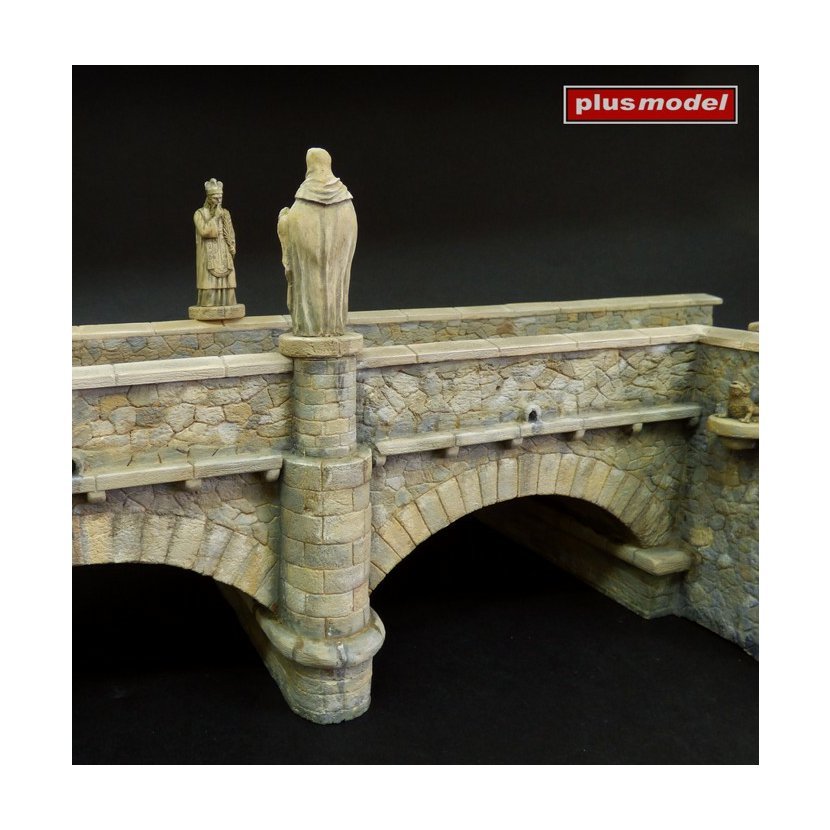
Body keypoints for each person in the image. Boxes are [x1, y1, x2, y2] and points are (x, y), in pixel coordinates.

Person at [277, 149, 357, 336]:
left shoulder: (301, 205)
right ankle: (335, 325)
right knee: (337, 273)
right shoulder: (347, 204)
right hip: (342, 221)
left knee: (307, 274)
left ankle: (309, 326)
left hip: (304, 227)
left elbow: (293, 255)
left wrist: (284, 221)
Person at [194, 178, 237, 307]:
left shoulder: (225, 213)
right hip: (209, 254)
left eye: (220, 198)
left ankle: (228, 305)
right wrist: (216, 217)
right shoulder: (200, 214)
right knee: (209, 285)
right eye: (215, 198)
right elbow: (204, 231)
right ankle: (209, 306)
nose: (219, 201)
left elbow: (230, 232)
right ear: (208, 198)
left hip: (224, 253)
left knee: (228, 283)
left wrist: (232, 246)